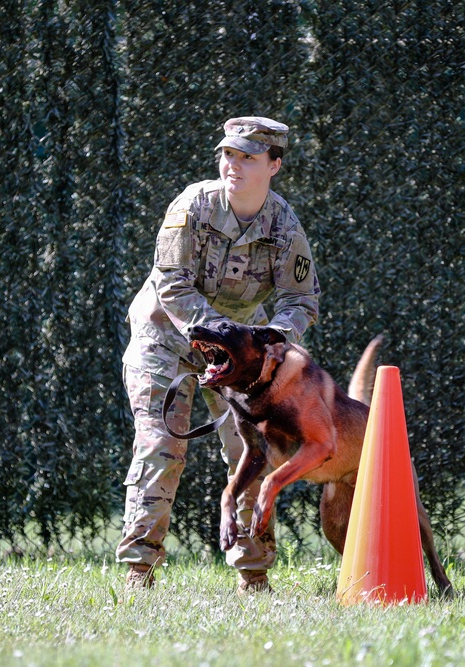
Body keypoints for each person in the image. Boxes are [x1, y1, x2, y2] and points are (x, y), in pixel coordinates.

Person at [117, 116, 320, 593]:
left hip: (236, 356)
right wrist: (220, 334)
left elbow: (300, 299)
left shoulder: (285, 227)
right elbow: (170, 282)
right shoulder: (193, 206)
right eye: (229, 154)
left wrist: (272, 340)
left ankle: (254, 576)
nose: (234, 165)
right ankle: (138, 573)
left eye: (248, 157)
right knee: (161, 446)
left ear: (274, 165)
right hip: (165, 339)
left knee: (253, 452)